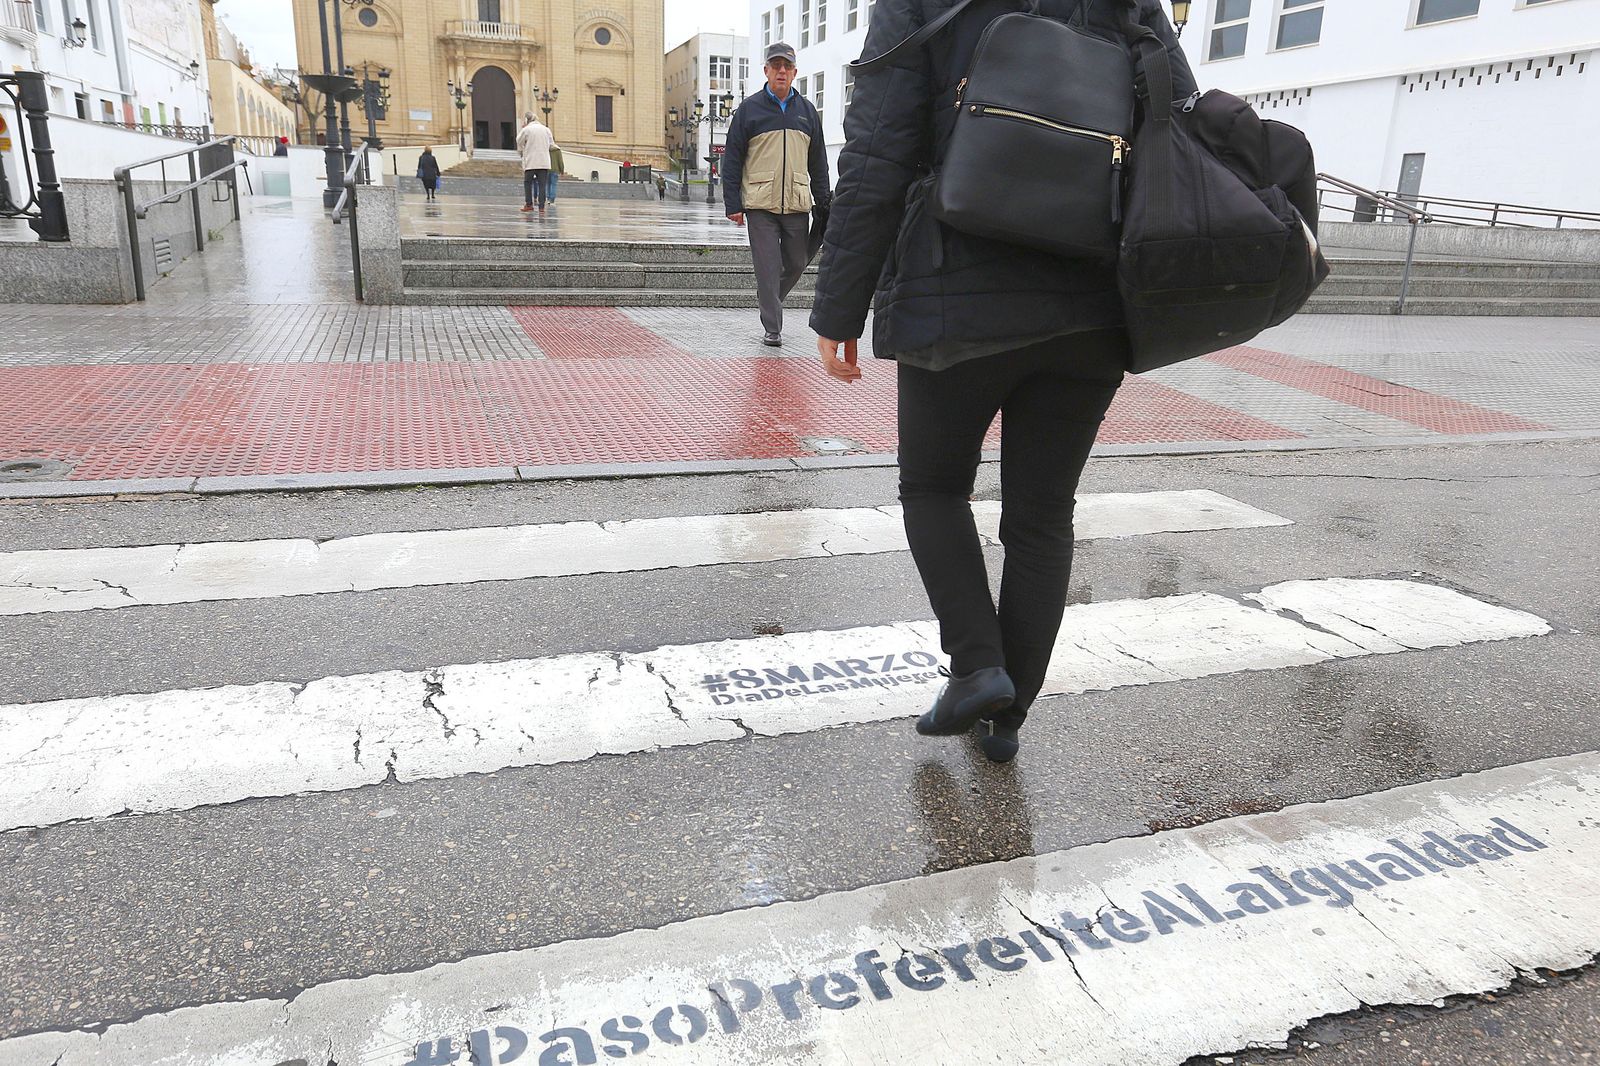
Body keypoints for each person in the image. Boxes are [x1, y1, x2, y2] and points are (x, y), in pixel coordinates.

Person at [810, 0, 1196, 764]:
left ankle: (978, 667)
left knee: (933, 488)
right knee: (1042, 519)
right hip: (1090, 304)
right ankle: (1006, 716)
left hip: (956, 286)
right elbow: (1177, 120)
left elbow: (878, 149)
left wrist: (838, 301)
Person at [721, 42, 831, 347]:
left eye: (787, 66)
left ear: (794, 72)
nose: (781, 71)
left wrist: (823, 201)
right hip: (760, 205)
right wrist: (733, 203)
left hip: (796, 203)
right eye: (775, 66)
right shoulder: (749, 110)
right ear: (766, 70)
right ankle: (773, 326)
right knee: (768, 268)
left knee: (797, 262)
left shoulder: (807, 112)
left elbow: (818, 160)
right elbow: (732, 158)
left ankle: (769, 297)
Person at [516, 112, 557, 214]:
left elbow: (519, 141)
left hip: (531, 161)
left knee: (528, 183)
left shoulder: (527, 129)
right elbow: (551, 144)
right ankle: (541, 207)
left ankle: (529, 204)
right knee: (542, 184)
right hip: (544, 162)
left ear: (527, 120)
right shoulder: (546, 129)